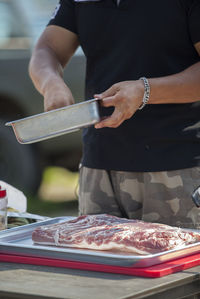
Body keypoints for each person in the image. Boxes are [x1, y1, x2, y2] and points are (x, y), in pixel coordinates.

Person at [29, 0, 200, 229]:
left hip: (177, 167)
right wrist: (51, 83)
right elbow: (47, 48)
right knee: (94, 264)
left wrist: (145, 90)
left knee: (179, 264)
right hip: (98, 167)